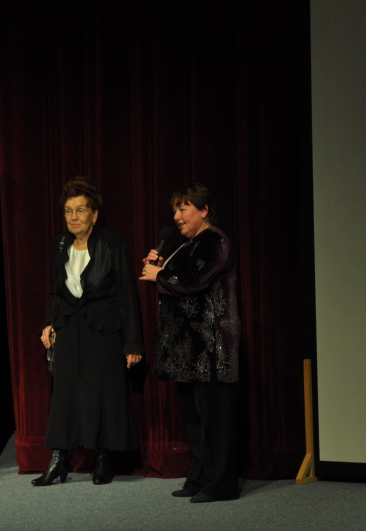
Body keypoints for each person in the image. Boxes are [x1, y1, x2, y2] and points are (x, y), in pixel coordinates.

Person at [33, 176, 144, 487]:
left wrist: (133, 342)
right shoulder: (59, 244)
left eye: (80, 210)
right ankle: (58, 460)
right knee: (65, 394)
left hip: (105, 329)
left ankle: (104, 458)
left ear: (94, 214)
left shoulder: (112, 242)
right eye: (68, 211)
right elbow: (57, 292)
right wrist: (48, 322)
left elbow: (127, 293)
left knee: (105, 393)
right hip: (70, 328)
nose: (74, 217)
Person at [140, 183, 241, 503]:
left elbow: (196, 281)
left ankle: (220, 485)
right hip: (188, 348)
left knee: (214, 422)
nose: (176, 216)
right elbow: (176, 284)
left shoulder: (215, 241)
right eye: (175, 210)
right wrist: (160, 268)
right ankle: (198, 479)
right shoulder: (186, 245)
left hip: (210, 346)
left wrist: (160, 275)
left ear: (204, 210)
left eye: (183, 208)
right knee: (194, 420)